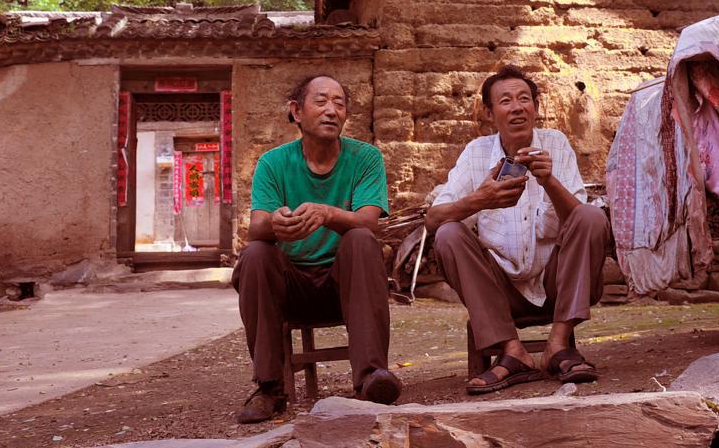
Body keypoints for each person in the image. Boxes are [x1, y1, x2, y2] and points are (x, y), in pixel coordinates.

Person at [426, 65, 610, 394]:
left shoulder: (555, 143)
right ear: (489, 112)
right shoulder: (476, 153)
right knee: (448, 233)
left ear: (536, 107)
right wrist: (479, 199)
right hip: (499, 290)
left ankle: (557, 345)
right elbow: (433, 219)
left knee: (591, 217)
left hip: (557, 283)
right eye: (506, 101)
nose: (517, 107)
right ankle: (513, 353)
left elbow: (578, 219)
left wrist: (549, 181)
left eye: (524, 99)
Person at [232, 75, 401, 423]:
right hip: (292, 286)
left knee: (360, 238)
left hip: (347, 284)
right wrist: (276, 223)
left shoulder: (365, 158)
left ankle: (371, 377)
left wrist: (327, 213)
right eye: (321, 101)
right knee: (256, 253)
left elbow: (370, 222)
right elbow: (256, 227)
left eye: (339, 103)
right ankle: (269, 387)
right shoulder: (273, 163)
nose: (331, 111)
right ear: (296, 112)